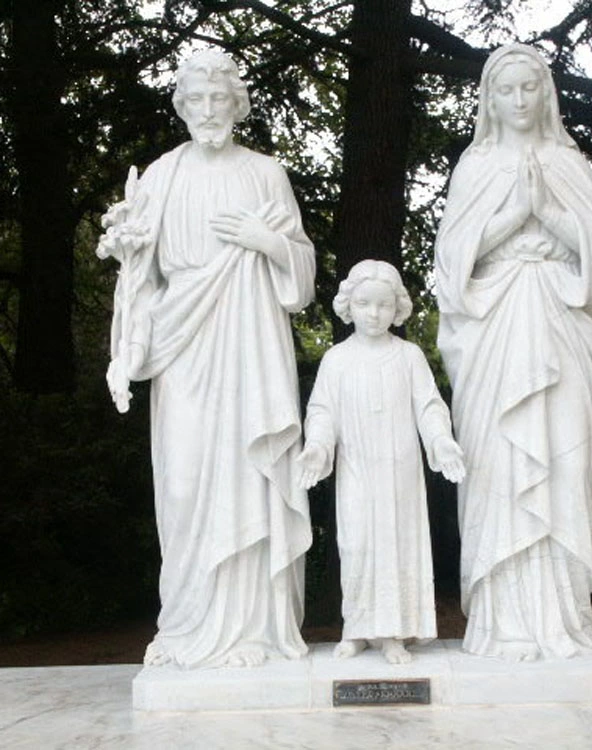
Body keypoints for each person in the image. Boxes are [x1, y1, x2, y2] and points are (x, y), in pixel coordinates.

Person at [97, 50, 315, 668]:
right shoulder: (162, 175)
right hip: (183, 345)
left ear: (238, 105)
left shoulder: (266, 173)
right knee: (187, 481)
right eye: (197, 100)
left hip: (249, 339)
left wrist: (266, 241)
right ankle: (187, 627)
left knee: (249, 474)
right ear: (183, 107)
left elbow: (300, 274)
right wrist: (130, 346)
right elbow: (142, 276)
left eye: (221, 99)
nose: (210, 110)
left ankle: (253, 632)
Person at [434, 44, 592, 660]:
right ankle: (503, 623)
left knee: (564, 466)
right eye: (506, 91)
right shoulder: (476, 168)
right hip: (495, 332)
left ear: (546, 95)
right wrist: (517, 214)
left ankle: (565, 619)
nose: (518, 101)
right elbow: (452, 262)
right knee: (499, 466)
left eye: (529, 89)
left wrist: (550, 210)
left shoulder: (568, 164)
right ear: (489, 99)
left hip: (564, 325)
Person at [298, 260, 465, 664]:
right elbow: (322, 411)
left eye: (383, 305)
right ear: (348, 305)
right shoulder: (336, 360)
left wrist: (441, 441)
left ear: (398, 308)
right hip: (357, 469)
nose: (374, 313)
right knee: (356, 546)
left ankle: (393, 633)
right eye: (364, 303)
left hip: (400, 471)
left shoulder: (408, 357)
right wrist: (318, 447)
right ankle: (357, 628)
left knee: (396, 546)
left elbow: (428, 406)